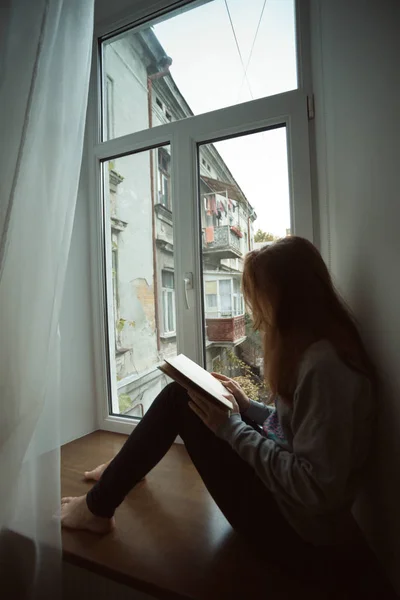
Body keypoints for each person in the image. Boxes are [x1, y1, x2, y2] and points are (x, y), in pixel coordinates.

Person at [60, 237, 389, 593]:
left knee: (178, 398)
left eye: (258, 296)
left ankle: (97, 508)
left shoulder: (326, 369)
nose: (253, 311)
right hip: (298, 517)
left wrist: (231, 427)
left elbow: (313, 488)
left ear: (287, 299)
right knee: (189, 396)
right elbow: (296, 434)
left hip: (300, 538)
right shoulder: (317, 352)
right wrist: (248, 408)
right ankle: (125, 468)